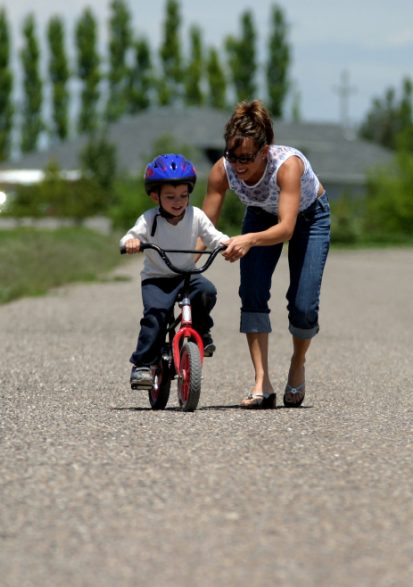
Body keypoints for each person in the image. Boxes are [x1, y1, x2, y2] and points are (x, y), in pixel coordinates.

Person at [203, 99, 331, 409]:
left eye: (246, 157)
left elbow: (286, 229)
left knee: (303, 306)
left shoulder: (287, 166)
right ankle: (263, 382)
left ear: (264, 151)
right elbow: (203, 229)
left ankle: (298, 361)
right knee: (252, 292)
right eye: (233, 156)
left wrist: (247, 240)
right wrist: (183, 267)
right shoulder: (222, 171)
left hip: (308, 217)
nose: (238, 165)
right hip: (260, 214)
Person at [121, 153, 229, 389]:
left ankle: (201, 330)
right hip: (157, 279)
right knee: (155, 316)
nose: (178, 201)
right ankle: (142, 364)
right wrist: (130, 242)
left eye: (183, 195)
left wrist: (226, 244)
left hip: (186, 275)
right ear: (154, 196)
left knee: (207, 291)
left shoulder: (196, 215)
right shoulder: (149, 220)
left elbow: (213, 236)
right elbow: (131, 235)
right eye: (170, 197)